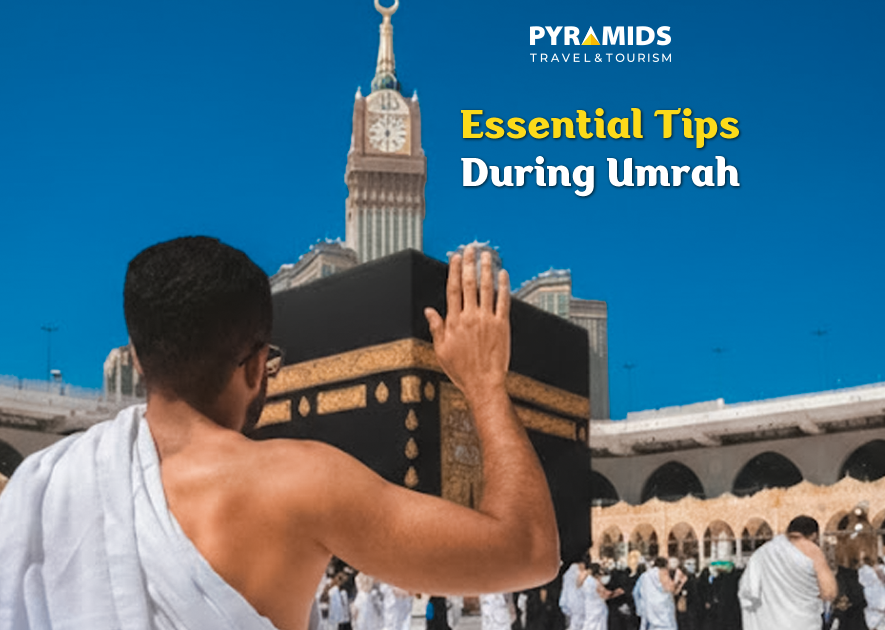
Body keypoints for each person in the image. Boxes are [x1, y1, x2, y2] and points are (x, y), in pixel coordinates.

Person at [0, 239, 560, 629]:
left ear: (140, 362)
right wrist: (485, 383)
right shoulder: (297, 482)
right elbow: (530, 550)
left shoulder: (43, 485)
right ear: (253, 367)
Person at [738, 515, 837, 630]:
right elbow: (829, 592)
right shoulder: (811, 551)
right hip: (802, 624)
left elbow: (748, 592)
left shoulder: (761, 553)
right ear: (814, 535)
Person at [635, 557, 684, 630]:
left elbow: (636, 592)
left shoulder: (644, 576)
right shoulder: (662, 572)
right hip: (663, 614)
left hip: (650, 612)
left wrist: (640, 609)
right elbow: (669, 588)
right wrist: (678, 579)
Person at [580, 564, 622, 630]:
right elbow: (605, 594)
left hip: (589, 607)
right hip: (597, 608)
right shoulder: (594, 582)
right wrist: (617, 592)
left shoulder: (586, 581)